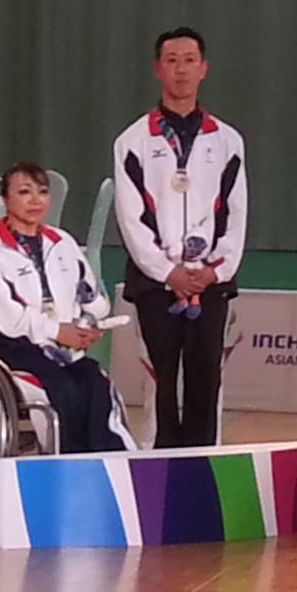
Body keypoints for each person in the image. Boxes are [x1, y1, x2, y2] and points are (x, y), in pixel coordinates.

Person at [114, 26, 246, 448]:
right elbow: (131, 218)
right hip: (156, 285)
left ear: (204, 69)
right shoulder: (132, 141)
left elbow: (236, 213)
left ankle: (205, 469)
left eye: (189, 60)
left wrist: (214, 270)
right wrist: (168, 272)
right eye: (171, 61)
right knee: (161, 384)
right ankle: (159, 474)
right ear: (158, 70)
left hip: (210, 284)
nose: (181, 70)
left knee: (207, 384)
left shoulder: (227, 141)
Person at [0, 162, 131, 453]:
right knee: (64, 388)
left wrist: (88, 324)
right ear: (6, 200)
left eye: (42, 192)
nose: (35, 200)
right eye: (24, 192)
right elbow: (7, 318)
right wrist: (58, 331)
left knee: (96, 383)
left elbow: (93, 298)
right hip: (13, 347)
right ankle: (66, 463)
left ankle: (109, 464)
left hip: (61, 347)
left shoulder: (63, 243)